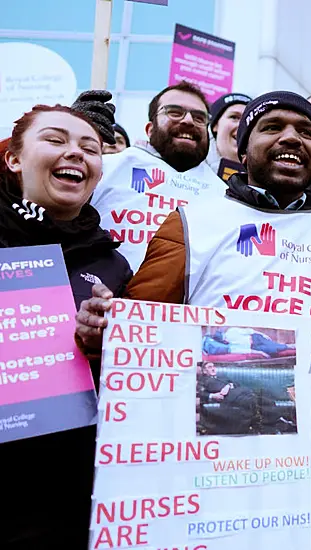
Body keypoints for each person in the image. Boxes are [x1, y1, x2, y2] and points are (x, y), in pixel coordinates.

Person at [75, 91, 311, 550]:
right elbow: (138, 332)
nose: (291, 137)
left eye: (307, 132)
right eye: (272, 127)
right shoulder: (191, 221)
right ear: (241, 150)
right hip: (214, 459)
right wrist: (102, 330)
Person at [0, 98, 131, 549]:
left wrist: (105, 344)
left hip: (70, 498)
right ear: (14, 159)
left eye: (90, 147)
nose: (75, 152)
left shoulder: (112, 264)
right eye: (54, 140)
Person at [90, 81, 225, 271]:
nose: (188, 121)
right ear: (149, 129)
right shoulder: (104, 168)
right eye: (174, 112)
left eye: (199, 117)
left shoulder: (223, 194)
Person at [206, 92, 251, 171]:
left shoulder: (267, 178)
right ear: (215, 125)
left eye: (248, 120)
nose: (242, 127)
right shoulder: (189, 166)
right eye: (234, 117)